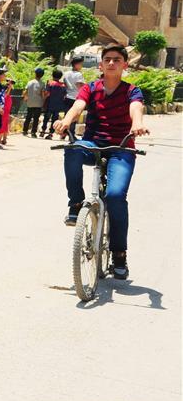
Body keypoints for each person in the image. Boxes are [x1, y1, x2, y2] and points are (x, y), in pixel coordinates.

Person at [54, 44, 148, 279]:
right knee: (73, 149)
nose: (111, 63)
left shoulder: (131, 91)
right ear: (101, 64)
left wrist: (137, 123)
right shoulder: (91, 88)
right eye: (107, 59)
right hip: (93, 144)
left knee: (116, 196)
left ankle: (119, 253)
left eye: (117, 59)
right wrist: (66, 121)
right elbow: (78, 105)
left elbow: (136, 109)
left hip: (121, 148)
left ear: (125, 65)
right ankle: (76, 204)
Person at [63, 55, 86, 136]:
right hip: (75, 98)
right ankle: (71, 134)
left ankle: (64, 132)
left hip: (67, 96)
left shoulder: (66, 73)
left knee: (67, 115)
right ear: (76, 64)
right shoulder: (78, 75)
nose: (81, 66)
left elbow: (64, 84)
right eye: (81, 64)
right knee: (74, 117)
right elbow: (80, 87)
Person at [41, 69, 66, 139]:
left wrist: (43, 100)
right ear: (60, 77)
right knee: (54, 119)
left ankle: (43, 131)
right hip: (58, 105)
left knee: (46, 118)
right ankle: (50, 133)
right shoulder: (63, 85)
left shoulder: (50, 83)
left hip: (49, 104)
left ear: (52, 75)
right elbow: (64, 95)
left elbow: (47, 93)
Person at [22, 68, 45, 137]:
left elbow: (25, 92)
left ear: (35, 74)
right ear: (42, 75)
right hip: (38, 103)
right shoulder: (42, 83)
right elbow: (42, 94)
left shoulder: (30, 82)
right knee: (36, 118)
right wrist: (44, 100)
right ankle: (33, 132)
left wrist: (25, 98)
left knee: (28, 117)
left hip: (30, 103)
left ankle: (25, 130)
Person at [0, 78, 15, 144]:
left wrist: (9, 86)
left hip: (4, 108)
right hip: (6, 107)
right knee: (5, 122)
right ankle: (4, 139)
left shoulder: (6, 93)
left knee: (2, 122)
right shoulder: (8, 95)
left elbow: (6, 93)